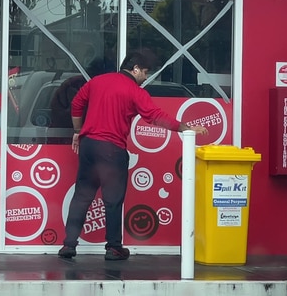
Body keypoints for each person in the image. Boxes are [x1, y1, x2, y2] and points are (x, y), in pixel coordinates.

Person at [58, 50, 208, 261]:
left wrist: (77, 131)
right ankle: (113, 248)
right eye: (145, 73)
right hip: (111, 149)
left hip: (89, 146)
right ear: (135, 69)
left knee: (82, 196)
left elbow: (76, 104)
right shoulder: (134, 91)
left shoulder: (97, 82)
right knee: (112, 201)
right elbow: (156, 116)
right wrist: (185, 127)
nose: (145, 78)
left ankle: (68, 245)